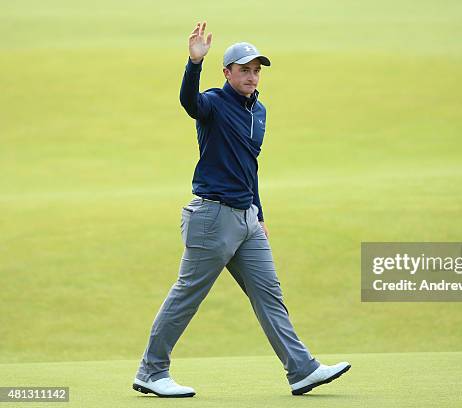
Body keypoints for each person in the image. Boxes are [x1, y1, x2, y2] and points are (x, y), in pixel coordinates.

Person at [131, 20, 350, 398]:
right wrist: (193, 63)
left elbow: (250, 165)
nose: (252, 76)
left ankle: (301, 369)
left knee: (270, 295)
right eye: (244, 70)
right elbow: (189, 102)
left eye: (256, 70)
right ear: (227, 72)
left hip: (247, 220)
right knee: (187, 295)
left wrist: (259, 215)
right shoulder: (213, 102)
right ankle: (151, 371)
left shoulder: (258, 111)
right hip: (212, 217)